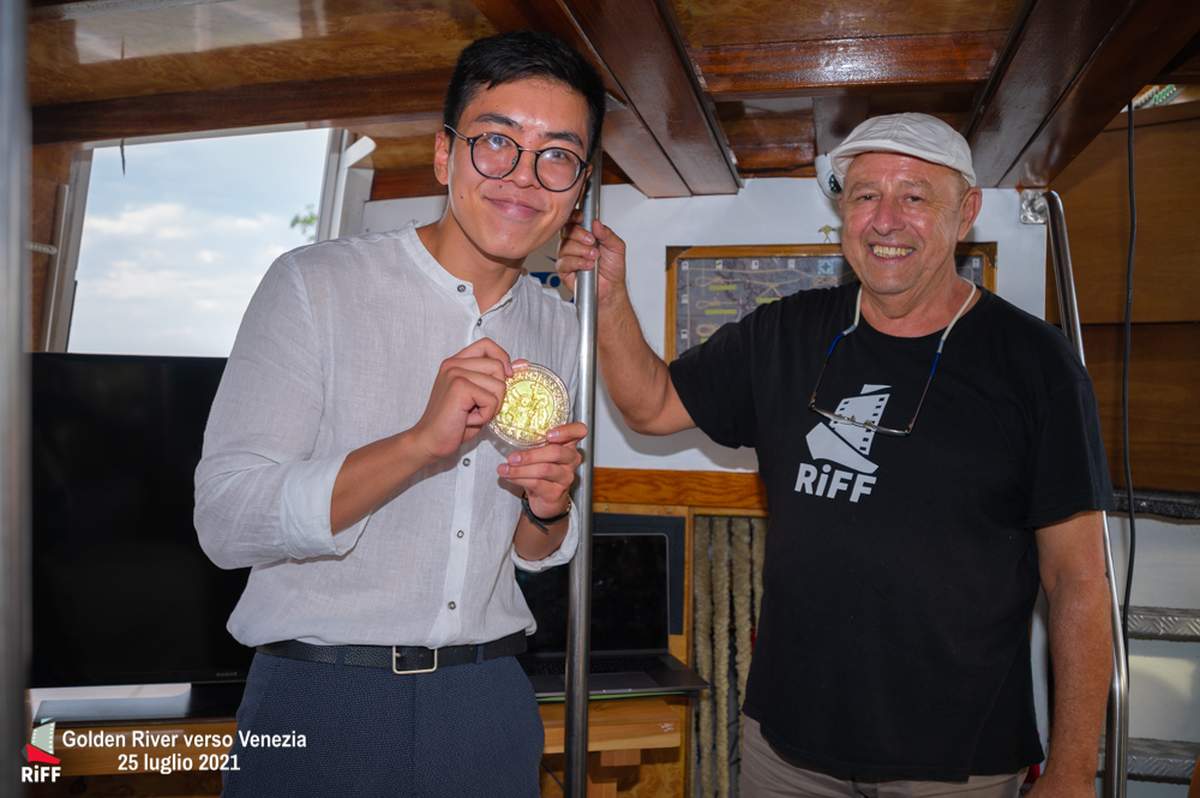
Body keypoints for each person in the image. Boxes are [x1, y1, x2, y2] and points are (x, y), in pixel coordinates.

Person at [557, 113, 1113, 798]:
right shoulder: (784, 331)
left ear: (966, 212)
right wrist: (610, 296)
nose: (886, 219)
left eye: (915, 196)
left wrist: (1073, 768)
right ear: (843, 212)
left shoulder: (1036, 363)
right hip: (787, 746)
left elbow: (1078, 578)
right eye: (865, 195)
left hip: (957, 757)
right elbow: (652, 406)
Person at [194, 30, 605, 797]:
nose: (524, 176)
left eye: (557, 155)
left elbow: (532, 550)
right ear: (445, 155)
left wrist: (547, 507)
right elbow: (226, 520)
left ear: (577, 187)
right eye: (496, 141)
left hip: (489, 701)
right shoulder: (315, 285)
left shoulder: (560, 329)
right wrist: (418, 445)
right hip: (321, 696)